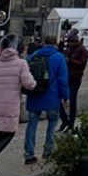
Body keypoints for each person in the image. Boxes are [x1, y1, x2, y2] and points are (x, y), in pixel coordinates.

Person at [0, 34, 35, 176]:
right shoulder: (21, 63)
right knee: (9, 133)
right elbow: (29, 83)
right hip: (10, 104)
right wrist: (34, 83)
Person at [23, 35, 70, 165]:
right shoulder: (59, 57)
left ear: (43, 43)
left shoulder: (33, 55)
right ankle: (48, 151)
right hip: (52, 96)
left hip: (35, 94)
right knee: (52, 123)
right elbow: (62, 80)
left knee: (32, 124)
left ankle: (29, 154)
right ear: (55, 43)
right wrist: (66, 97)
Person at [59, 30, 88, 131]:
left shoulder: (82, 50)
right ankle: (64, 120)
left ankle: (71, 123)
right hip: (67, 75)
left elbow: (82, 63)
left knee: (72, 99)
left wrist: (71, 61)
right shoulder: (69, 49)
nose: (69, 45)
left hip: (76, 77)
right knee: (59, 98)